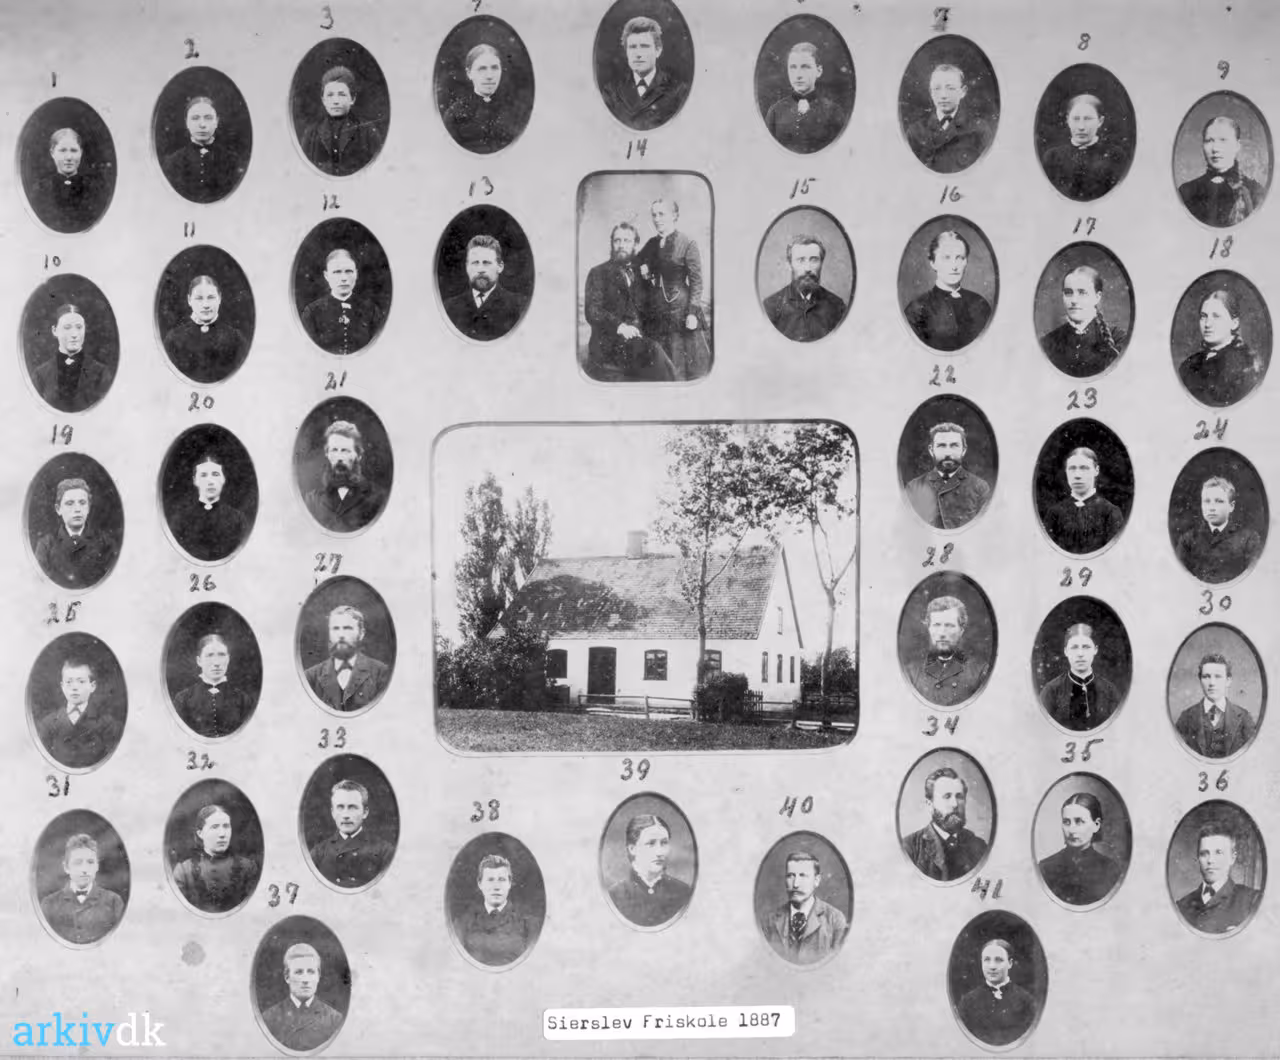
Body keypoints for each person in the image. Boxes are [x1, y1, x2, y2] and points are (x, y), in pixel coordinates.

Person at [583, 222, 675, 381]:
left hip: (639, 341)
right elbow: (593, 310)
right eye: (617, 240)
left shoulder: (641, 273)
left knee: (669, 343)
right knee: (654, 351)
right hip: (610, 344)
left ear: (636, 244)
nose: (621, 245)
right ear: (612, 243)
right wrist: (620, 327)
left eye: (626, 241)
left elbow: (651, 308)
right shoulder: (598, 272)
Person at [636, 198, 712, 379]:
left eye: (661, 214)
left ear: (674, 216)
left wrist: (692, 313)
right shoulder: (651, 244)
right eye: (654, 215)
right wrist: (644, 271)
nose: (657, 219)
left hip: (681, 310)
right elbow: (638, 264)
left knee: (684, 363)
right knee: (662, 365)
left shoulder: (688, 243)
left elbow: (697, 282)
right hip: (657, 309)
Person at [903, 229, 991, 352]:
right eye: (946, 258)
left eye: (960, 258)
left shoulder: (980, 305)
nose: (954, 266)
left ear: (966, 261)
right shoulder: (917, 310)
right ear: (933, 262)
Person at [600, 16, 689, 131]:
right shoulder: (611, 92)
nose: (638, 54)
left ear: (658, 50)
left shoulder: (678, 91)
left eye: (644, 46)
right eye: (632, 47)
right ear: (626, 52)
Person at [1177, 288, 1263, 406]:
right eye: (1203, 316)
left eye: (1216, 316)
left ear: (1234, 323)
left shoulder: (1247, 364)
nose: (1207, 324)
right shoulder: (1189, 365)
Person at [759, 851, 848, 965]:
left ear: (816, 881)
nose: (795, 884)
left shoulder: (835, 919)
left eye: (803, 876)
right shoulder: (769, 921)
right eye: (790, 876)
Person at [901, 766, 988, 881]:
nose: (955, 804)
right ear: (930, 804)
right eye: (947, 796)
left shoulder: (979, 846)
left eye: (959, 796)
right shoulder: (910, 848)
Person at [1039, 265, 1127, 378]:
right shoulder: (1048, 343)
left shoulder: (1118, 339)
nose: (1074, 300)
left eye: (1082, 292)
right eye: (1068, 292)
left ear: (1097, 297)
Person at [1178, 116, 1266, 228]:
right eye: (1209, 140)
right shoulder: (1186, 192)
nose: (1215, 148)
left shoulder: (1254, 191)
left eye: (1223, 140)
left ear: (1237, 146)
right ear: (1202, 145)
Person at [35, 657, 122, 770]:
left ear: (92, 686)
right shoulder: (48, 724)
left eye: (81, 681)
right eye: (69, 682)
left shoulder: (106, 724)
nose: (74, 687)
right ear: (62, 686)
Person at [607, 813, 693, 927]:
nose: (659, 852)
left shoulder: (683, 892)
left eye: (664, 843)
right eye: (651, 843)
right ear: (632, 849)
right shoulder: (615, 896)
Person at [1037, 792, 1123, 905]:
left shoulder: (1110, 869)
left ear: (1096, 825)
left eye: (1079, 821)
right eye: (1066, 822)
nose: (1072, 830)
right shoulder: (1045, 868)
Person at [1174, 475, 1263, 584]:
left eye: (1219, 501)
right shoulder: (1188, 540)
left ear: (1231, 506)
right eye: (1207, 501)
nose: (1211, 507)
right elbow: (1179, 578)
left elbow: (1254, 579)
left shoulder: (1248, 539)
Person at [1175, 823, 1261, 934]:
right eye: (1204, 853)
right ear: (1198, 858)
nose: (1210, 860)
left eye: (1218, 853)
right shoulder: (1182, 906)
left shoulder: (1251, 901)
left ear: (1232, 858)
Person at [308, 779, 396, 888]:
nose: (345, 815)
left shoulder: (385, 852)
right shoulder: (317, 854)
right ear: (333, 812)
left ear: (365, 812)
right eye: (340, 807)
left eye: (352, 807)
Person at [903, 596, 989, 707]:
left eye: (949, 625)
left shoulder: (980, 672)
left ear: (961, 630)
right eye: (936, 625)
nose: (942, 633)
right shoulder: (911, 672)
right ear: (929, 628)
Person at [39, 833, 125, 945]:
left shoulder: (113, 902)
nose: (84, 869)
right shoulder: (49, 904)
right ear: (66, 867)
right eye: (78, 863)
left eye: (90, 862)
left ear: (97, 866)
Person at [172, 804, 260, 913]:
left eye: (226, 826)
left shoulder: (248, 868)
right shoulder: (184, 872)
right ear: (200, 833)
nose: (222, 834)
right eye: (214, 827)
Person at [761, 233, 849, 342]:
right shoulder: (771, 307)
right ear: (789, 265)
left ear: (821, 264)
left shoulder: (837, 306)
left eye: (814, 260)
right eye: (801, 260)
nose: (808, 268)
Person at [303, 420, 388, 532]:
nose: (339, 457)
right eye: (334, 450)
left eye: (345, 451)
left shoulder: (377, 498)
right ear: (327, 454)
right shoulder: (312, 500)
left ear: (359, 455)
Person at [904, 64, 991, 174]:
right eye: (937, 88)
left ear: (963, 92)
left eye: (950, 88)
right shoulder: (915, 132)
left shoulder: (979, 130)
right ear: (931, 93)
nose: (943, 95)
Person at [34, 477, 118, 590]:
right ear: (58, 509)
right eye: (70, 503)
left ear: (88, 508)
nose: (77, 509)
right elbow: (40, 586)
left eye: (82, 503)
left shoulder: (106, 544)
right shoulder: (46, 546)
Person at [904, 422, 992, 529]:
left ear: (963, 450)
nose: (948, 453)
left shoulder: (980, 487)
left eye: (954, 446)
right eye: (941, 446)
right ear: (931, 450)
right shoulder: (914, 487)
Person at [163, 275, 249, 384]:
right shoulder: (174, 340)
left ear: (219, 298)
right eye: (199, 298)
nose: (205, 305)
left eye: (211, 297)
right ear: (189, 300)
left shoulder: (236, 339)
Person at [303, 605, 392, 711]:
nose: (341, 635)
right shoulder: (310, 677)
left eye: (347, 628)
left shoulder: (381, 674)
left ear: (361, 634)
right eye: (335, 629)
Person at [442, 234, 529, 341]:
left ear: (500, 267)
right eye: (475, 263)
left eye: (486, 263)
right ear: (467, 267)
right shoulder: (449, 308)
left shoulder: (520, 306)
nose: (480, 269)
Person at [1040, 93, 1127, 201]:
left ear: (1100, 121)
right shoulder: (1052, 157)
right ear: (1067, 120)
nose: (1081, 127)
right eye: (1076, 119)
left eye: (1088, 119)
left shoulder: (1115, 156)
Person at [299, 65, 383, 176]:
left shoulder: (367, 132)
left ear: (352, 98)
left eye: (342, 94)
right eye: (330, 95)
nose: (335, 101)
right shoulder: (312, 133)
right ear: (323, 99)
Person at [763, 42, 846, 154]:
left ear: (819, 71)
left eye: (805, 67)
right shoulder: (775, 112)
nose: (798, 75)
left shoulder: (833, 112)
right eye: (793, 67)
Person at [260, 943, 345, 1052]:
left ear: (318, 976)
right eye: (299, 972)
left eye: (311, 972)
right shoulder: (269, 1019)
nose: (305, 979)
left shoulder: (335, 1020)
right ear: (287, 976)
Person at [31, 302, 114, 412]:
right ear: (55, 331)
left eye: (79, 327)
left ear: (85, 329)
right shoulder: (40, 375)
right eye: (67, 328)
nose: (74, 334)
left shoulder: (101, 373)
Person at [1037, 623, 1122, 732]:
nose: (1080, 654)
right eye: (1074, 647)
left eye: (1086, 647)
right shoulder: (1051, 691)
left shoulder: (1110, 691)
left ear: (1095, 650)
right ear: (1066, 651)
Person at [457, 854, 539, 966]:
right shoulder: (463, 923)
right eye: (490, 880)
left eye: (502, 880)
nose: (496, 887)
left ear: (509, 883)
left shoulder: (528, 924)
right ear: (480, 884)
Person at [167, 453, 250, 562]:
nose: (210, 481)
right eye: (203, 475)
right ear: (195, 480)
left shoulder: (237, 520)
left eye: (215, 474)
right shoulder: (181, 520)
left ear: (223, 479)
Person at [300, 248, 385, 355]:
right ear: (326, 276)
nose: (344, 278)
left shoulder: (371, 310)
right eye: (337, 272)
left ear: (356, 274)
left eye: (349, 271)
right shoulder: (312, 313)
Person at [160, 95, 243, 203]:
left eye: (208, 118)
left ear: (217, 121)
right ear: (187, 122)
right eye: (195, 118)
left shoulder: (233, 161)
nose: (202, 125)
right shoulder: (172, 163)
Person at [1042, 446, 1124, 554]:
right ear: (1066, 471)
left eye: (1084, 468)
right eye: (1072, 468)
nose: (1077, 475)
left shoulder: (1110, 512)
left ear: (1096, 471)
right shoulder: (1054, 514)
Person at [1173, 652, 1257, 758]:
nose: (1212, 683)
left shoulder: (1244, 718)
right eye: (1206, 676)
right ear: (1200, 680)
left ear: (1228, 681)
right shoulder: (1186, 718)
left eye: (1218, 676)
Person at [956, 939, 1037, 1047]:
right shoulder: (967, 1002)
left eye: (998, 960)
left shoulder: (1026, 1002)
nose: (992, 966)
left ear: (1010, 963)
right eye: (987, 960)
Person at [442, 43, 522, 153]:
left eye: (494, 68)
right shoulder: (454, 115)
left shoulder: (515, 113)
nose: (489, 76)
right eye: (482, 69)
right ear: (469, 73)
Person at [172, 633, 255, 738]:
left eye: (221, 655)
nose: (216, 663)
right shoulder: (183, 699)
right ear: (199, 661)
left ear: (228, 659)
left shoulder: (243, 700)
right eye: (209, 655)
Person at [31, 128, 105, 233]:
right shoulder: (41, 189)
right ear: (52, 153)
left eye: (74, 150)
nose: (69, 157)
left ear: (81, 152)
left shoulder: (94, 188)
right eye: (62, 150)